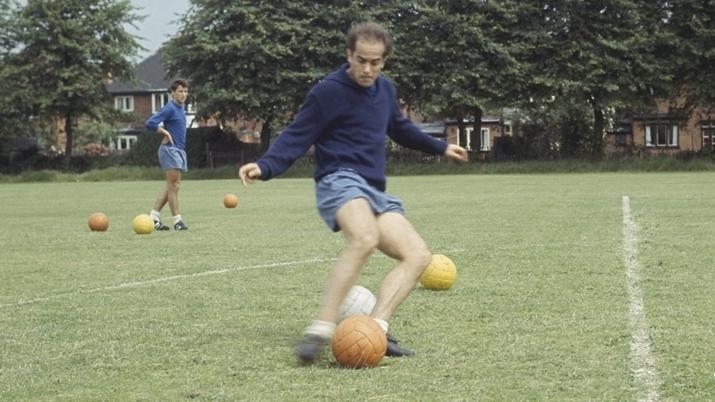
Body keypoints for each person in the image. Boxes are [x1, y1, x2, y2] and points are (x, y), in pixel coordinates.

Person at [238, 21, 468, 365]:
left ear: (384, 61)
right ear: (349, 55)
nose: (368, 69)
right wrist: (266, 165)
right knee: (363, 238)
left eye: (376, 62)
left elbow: (401, 129)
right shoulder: (328, 91)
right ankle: (320, 329)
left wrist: (441, 147)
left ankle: (376, 328)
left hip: (374, 189)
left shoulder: (385, 90)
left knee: (418, 255)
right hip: (339, 180)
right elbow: (297, 134)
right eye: (361, 60)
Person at [145, 79, 190, 231]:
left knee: (173, 186)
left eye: (185, 91)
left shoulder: (181, 108)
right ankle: (177, 221)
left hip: (178, 150)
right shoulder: (170, 108)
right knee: (173, 186)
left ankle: (153, 217)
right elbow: (150, 123)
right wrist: (164, 131)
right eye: (180, 91)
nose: (183, 94)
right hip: (169, 150)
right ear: (172, 93)